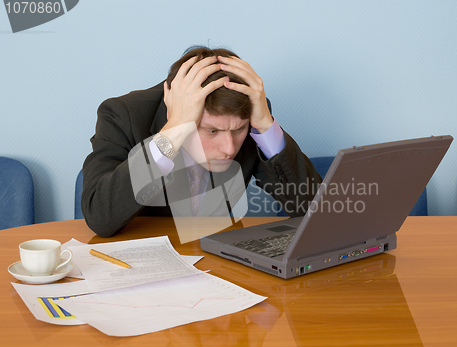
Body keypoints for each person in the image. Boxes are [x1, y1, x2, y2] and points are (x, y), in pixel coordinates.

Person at [82, 46, 322, 237]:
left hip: (219, 262)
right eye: (211, 131)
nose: (229, 149)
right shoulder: (123, 115)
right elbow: (100, 218)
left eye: (238, 130)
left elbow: (317, 213)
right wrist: (172, 132)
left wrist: (266, 127)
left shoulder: (252, 115)